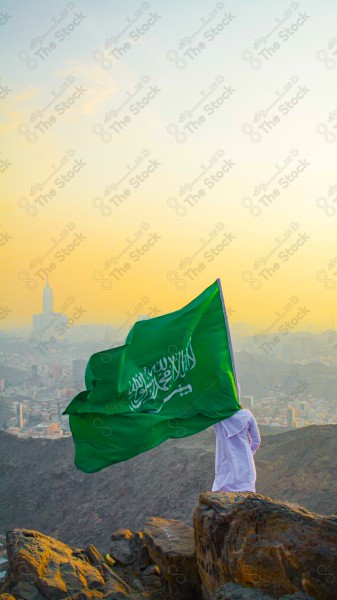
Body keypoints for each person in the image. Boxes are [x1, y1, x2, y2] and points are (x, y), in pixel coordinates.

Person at [211, 381, 261, 493]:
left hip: (224, 465)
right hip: (245, 468)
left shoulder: (217, 417)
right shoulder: (247, 415)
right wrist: (248, 452)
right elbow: (256, 441)